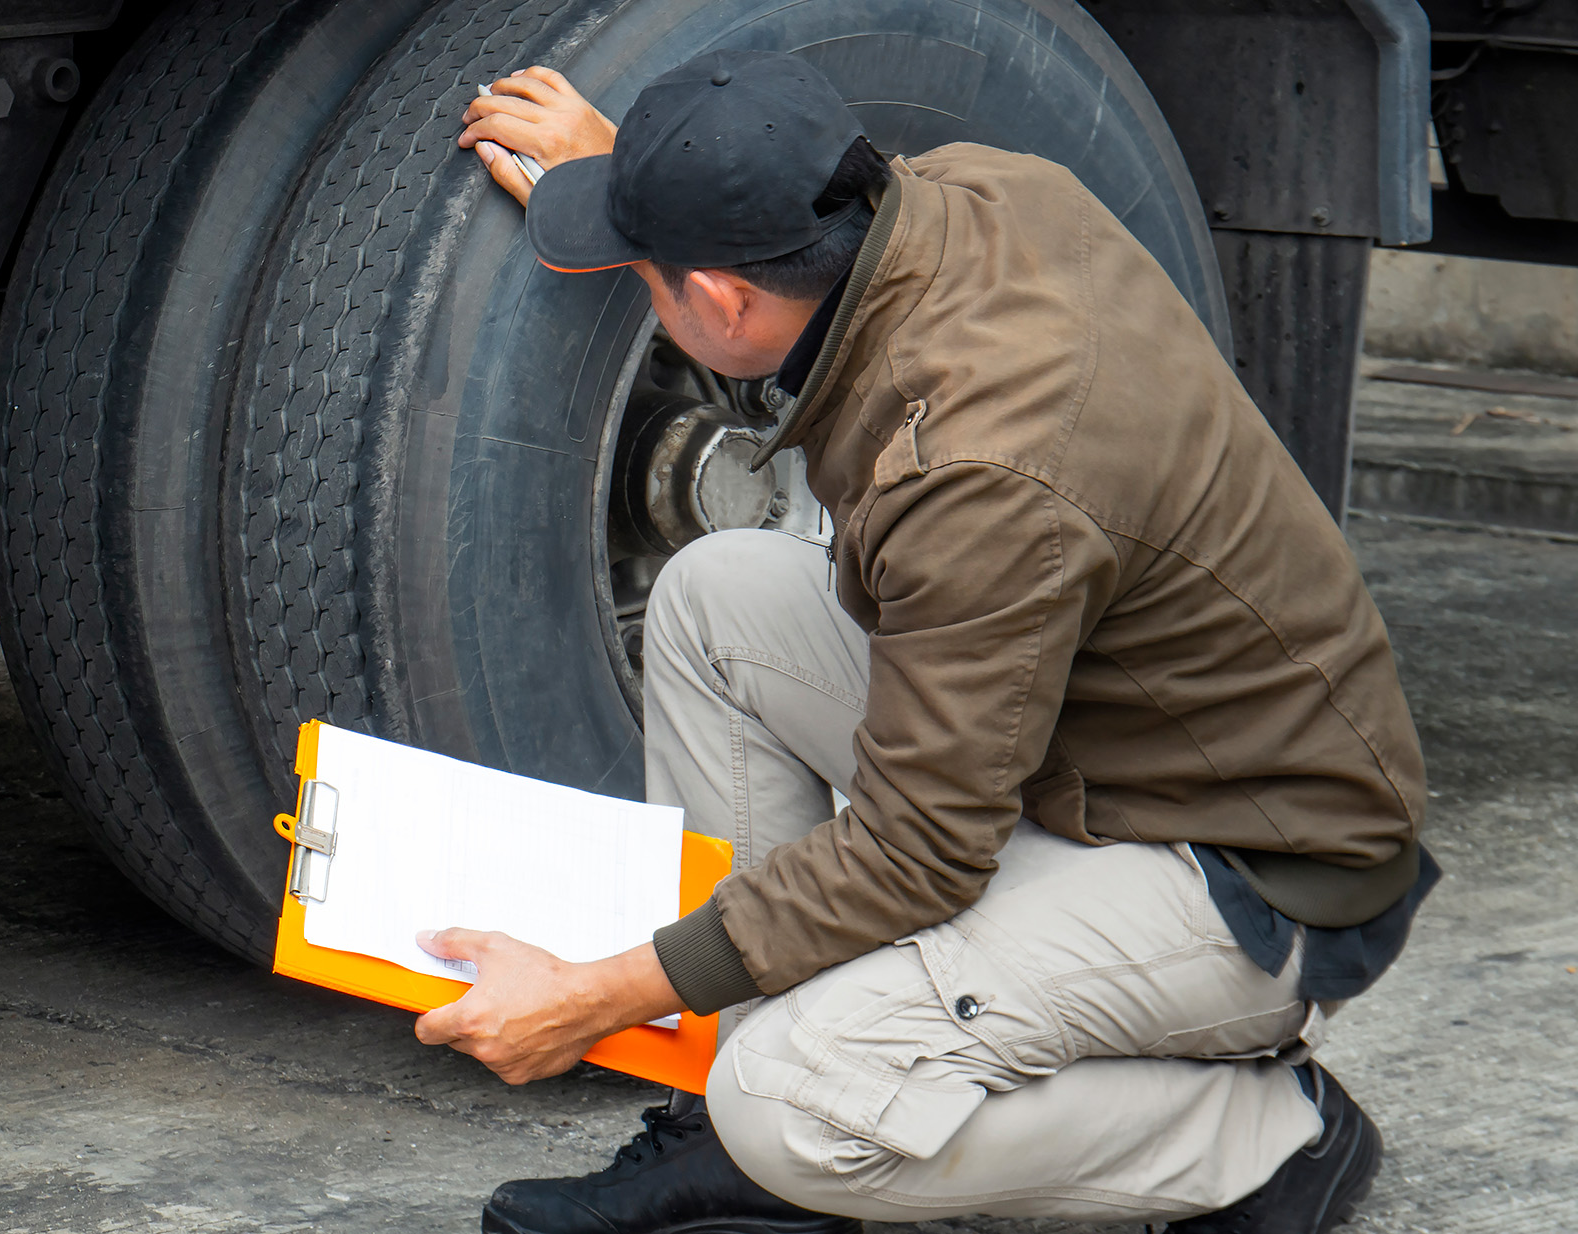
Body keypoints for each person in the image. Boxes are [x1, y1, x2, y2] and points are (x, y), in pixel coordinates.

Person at [406, 49, 1436, 1234]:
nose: (645, 292)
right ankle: (741, 1154)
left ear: (727, 300)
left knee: (791, 1102)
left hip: (1254, 872)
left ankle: (1263, 1139)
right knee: (715, 600)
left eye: (648, 275)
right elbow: (800, 207)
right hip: (1116, 751)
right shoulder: (982, 191)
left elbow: (919, 852)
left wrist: (590, 997)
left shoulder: (976, 477)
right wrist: (656, 183)